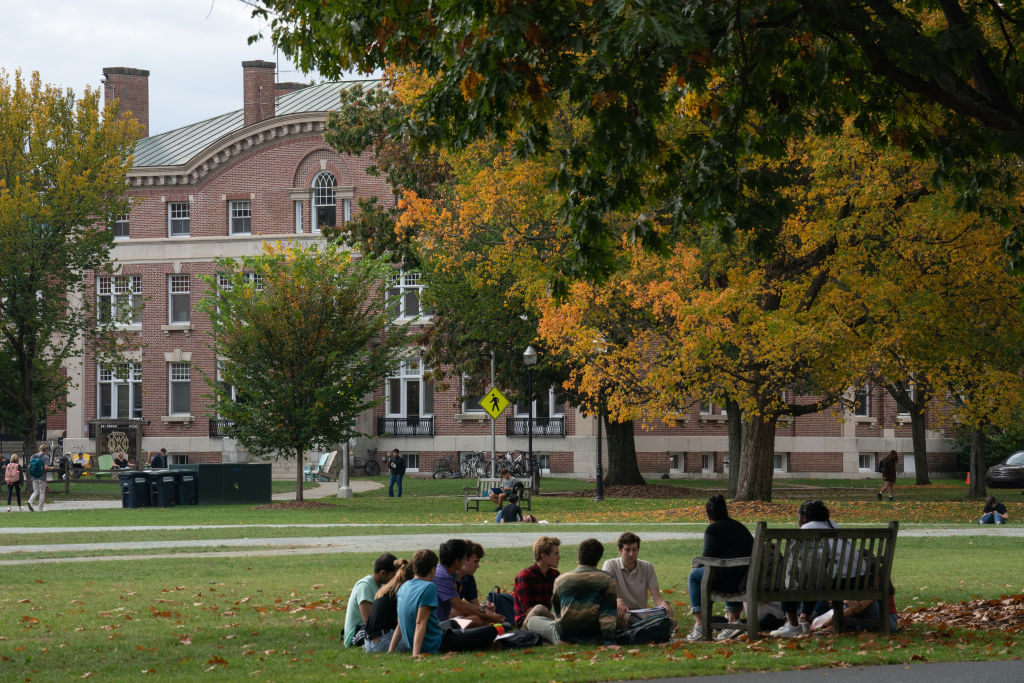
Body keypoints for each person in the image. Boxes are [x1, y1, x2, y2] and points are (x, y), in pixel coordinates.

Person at [391, 548, 499, 656]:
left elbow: (400, 623)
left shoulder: (404, 586)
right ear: (433, 569)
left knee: (451, 623)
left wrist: (391, 650)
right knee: (491, 631)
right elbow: (420, 622)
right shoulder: (428, 587)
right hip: (434, 644)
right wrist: (416, 654)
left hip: (429, 636)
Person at [524, 538, 617, 645]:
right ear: (598, 559)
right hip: (593, 637)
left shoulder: (560, 580)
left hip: (565, 637)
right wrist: (609, 642)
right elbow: (608, 615)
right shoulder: (608, 580)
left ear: (579, 556)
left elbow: (558, 613)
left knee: (532, 620)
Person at [686, 494, 754, 641]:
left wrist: (697, 564)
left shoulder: (713, 529)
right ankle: (733, 621)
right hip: (746, 578)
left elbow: (707, 557)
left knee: (694, 576)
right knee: (728, 571)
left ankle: (699, 624)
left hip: (728, 580)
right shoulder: (740, 527)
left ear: (708, 515)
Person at [601, 532, 674, 628]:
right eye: (627, 550)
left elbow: (657, 597)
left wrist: (663, 604)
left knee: (667, 612)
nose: (631, 554)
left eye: (634, 550)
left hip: (641, 613)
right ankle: (649, 626)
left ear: (638, 550)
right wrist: (617, 600)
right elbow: (604, 593)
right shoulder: (610, 565)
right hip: (621, 613)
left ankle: (647, 625)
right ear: (620, 550)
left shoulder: (647, 567)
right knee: (613, 614)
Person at [433, 539, 505, 627]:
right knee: (478, 620)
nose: (478, 566)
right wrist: (490, 616)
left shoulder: (466, 577)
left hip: (447, 619)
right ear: (458, 560)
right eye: (475, 561)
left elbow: (470, 606)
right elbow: (460, 607)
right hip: (438, 624)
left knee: (480, 620)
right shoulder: (443, 576)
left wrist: (485, 610)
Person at [343, 552, 399, 647]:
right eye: (394, 575)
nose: (396, 579)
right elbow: (369, 622)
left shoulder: (381, 586)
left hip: (372, 628)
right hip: (358, 632)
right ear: (383, 573)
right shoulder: (365, 586)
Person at [364, 559, 414, 653]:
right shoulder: (401, 591)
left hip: (368, 643)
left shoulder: (386, 589)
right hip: (382, 642)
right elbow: (402, 623)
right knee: (425, 636)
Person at [513, 536, 561, 627]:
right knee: (539, 609)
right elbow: (528, 611)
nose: (559, 557)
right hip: (527, 623)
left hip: (546, 621)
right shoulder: (525, 576)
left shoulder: (555, 575)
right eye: (556, 554)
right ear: (543, 556)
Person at [27, 442, 54, 512]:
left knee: (35, 491)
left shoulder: (33, 456)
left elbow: (29, 466)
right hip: (42, 477)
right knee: (42, 492)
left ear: (39, 449)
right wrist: (51, 468)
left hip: (33, 476)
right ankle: (40, 508)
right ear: (46, 450)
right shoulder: (45, 457)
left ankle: (30, 501)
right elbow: (45, 467)